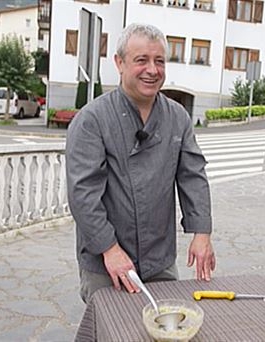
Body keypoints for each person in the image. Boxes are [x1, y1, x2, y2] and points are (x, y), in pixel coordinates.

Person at [66, 23, 215, 303]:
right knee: (111, 330)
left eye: (159, 61)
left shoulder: (177, 117)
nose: (152, 70)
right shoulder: (92, 120)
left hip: (160, 259)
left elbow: (193, 176)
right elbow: (83, 195)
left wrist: (202, 232)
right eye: (141, 60)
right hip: (105, 262)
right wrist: (109, 249)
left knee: (164, 326)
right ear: (119, 63)